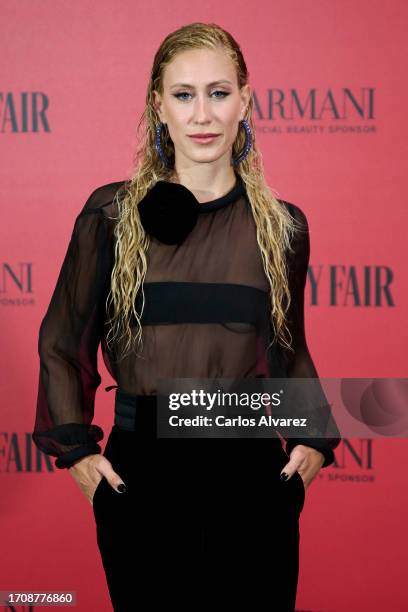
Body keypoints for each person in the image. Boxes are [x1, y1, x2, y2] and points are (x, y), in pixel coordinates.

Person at [32, 22, 341, 612]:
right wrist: (76, 451)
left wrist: (315, 443)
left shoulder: (283, 226)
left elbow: (288, 348)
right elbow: (62, 342)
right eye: (184, 94)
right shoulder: (111, 215)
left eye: (220, 93)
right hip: (142, 477)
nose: (203, 114)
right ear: (159, 106)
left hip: (251, 473)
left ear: (246, 101)